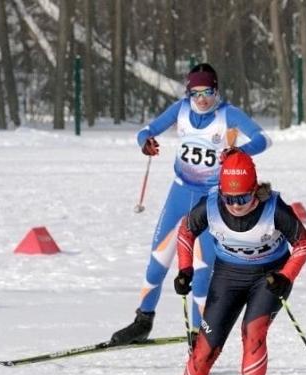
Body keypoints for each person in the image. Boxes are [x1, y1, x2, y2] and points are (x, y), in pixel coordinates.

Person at [110, 63, 271, 346]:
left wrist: (238, 150)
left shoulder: (227, 115)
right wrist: (145, 142)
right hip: (179, 194)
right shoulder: (181, 109)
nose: (202, 100)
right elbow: (147, 130)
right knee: (158, 261)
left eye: (207, 92)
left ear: (216, 91)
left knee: (201, 267)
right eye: (195, 93)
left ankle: (199, 335)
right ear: (188, 93)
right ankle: (142, 320)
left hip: (211, 201)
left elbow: (264, 138)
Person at [153, 150, 306, 375]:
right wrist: (185, 269)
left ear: (256, 190)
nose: (236, 205)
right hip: (227, 277)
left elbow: (303, 244)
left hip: (268, 278)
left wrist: (286, 276)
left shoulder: (275, 208)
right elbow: (185, 231)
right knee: (205, 345)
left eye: (243, 198)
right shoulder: (211, 204)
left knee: (253, 333)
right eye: (230, 199)